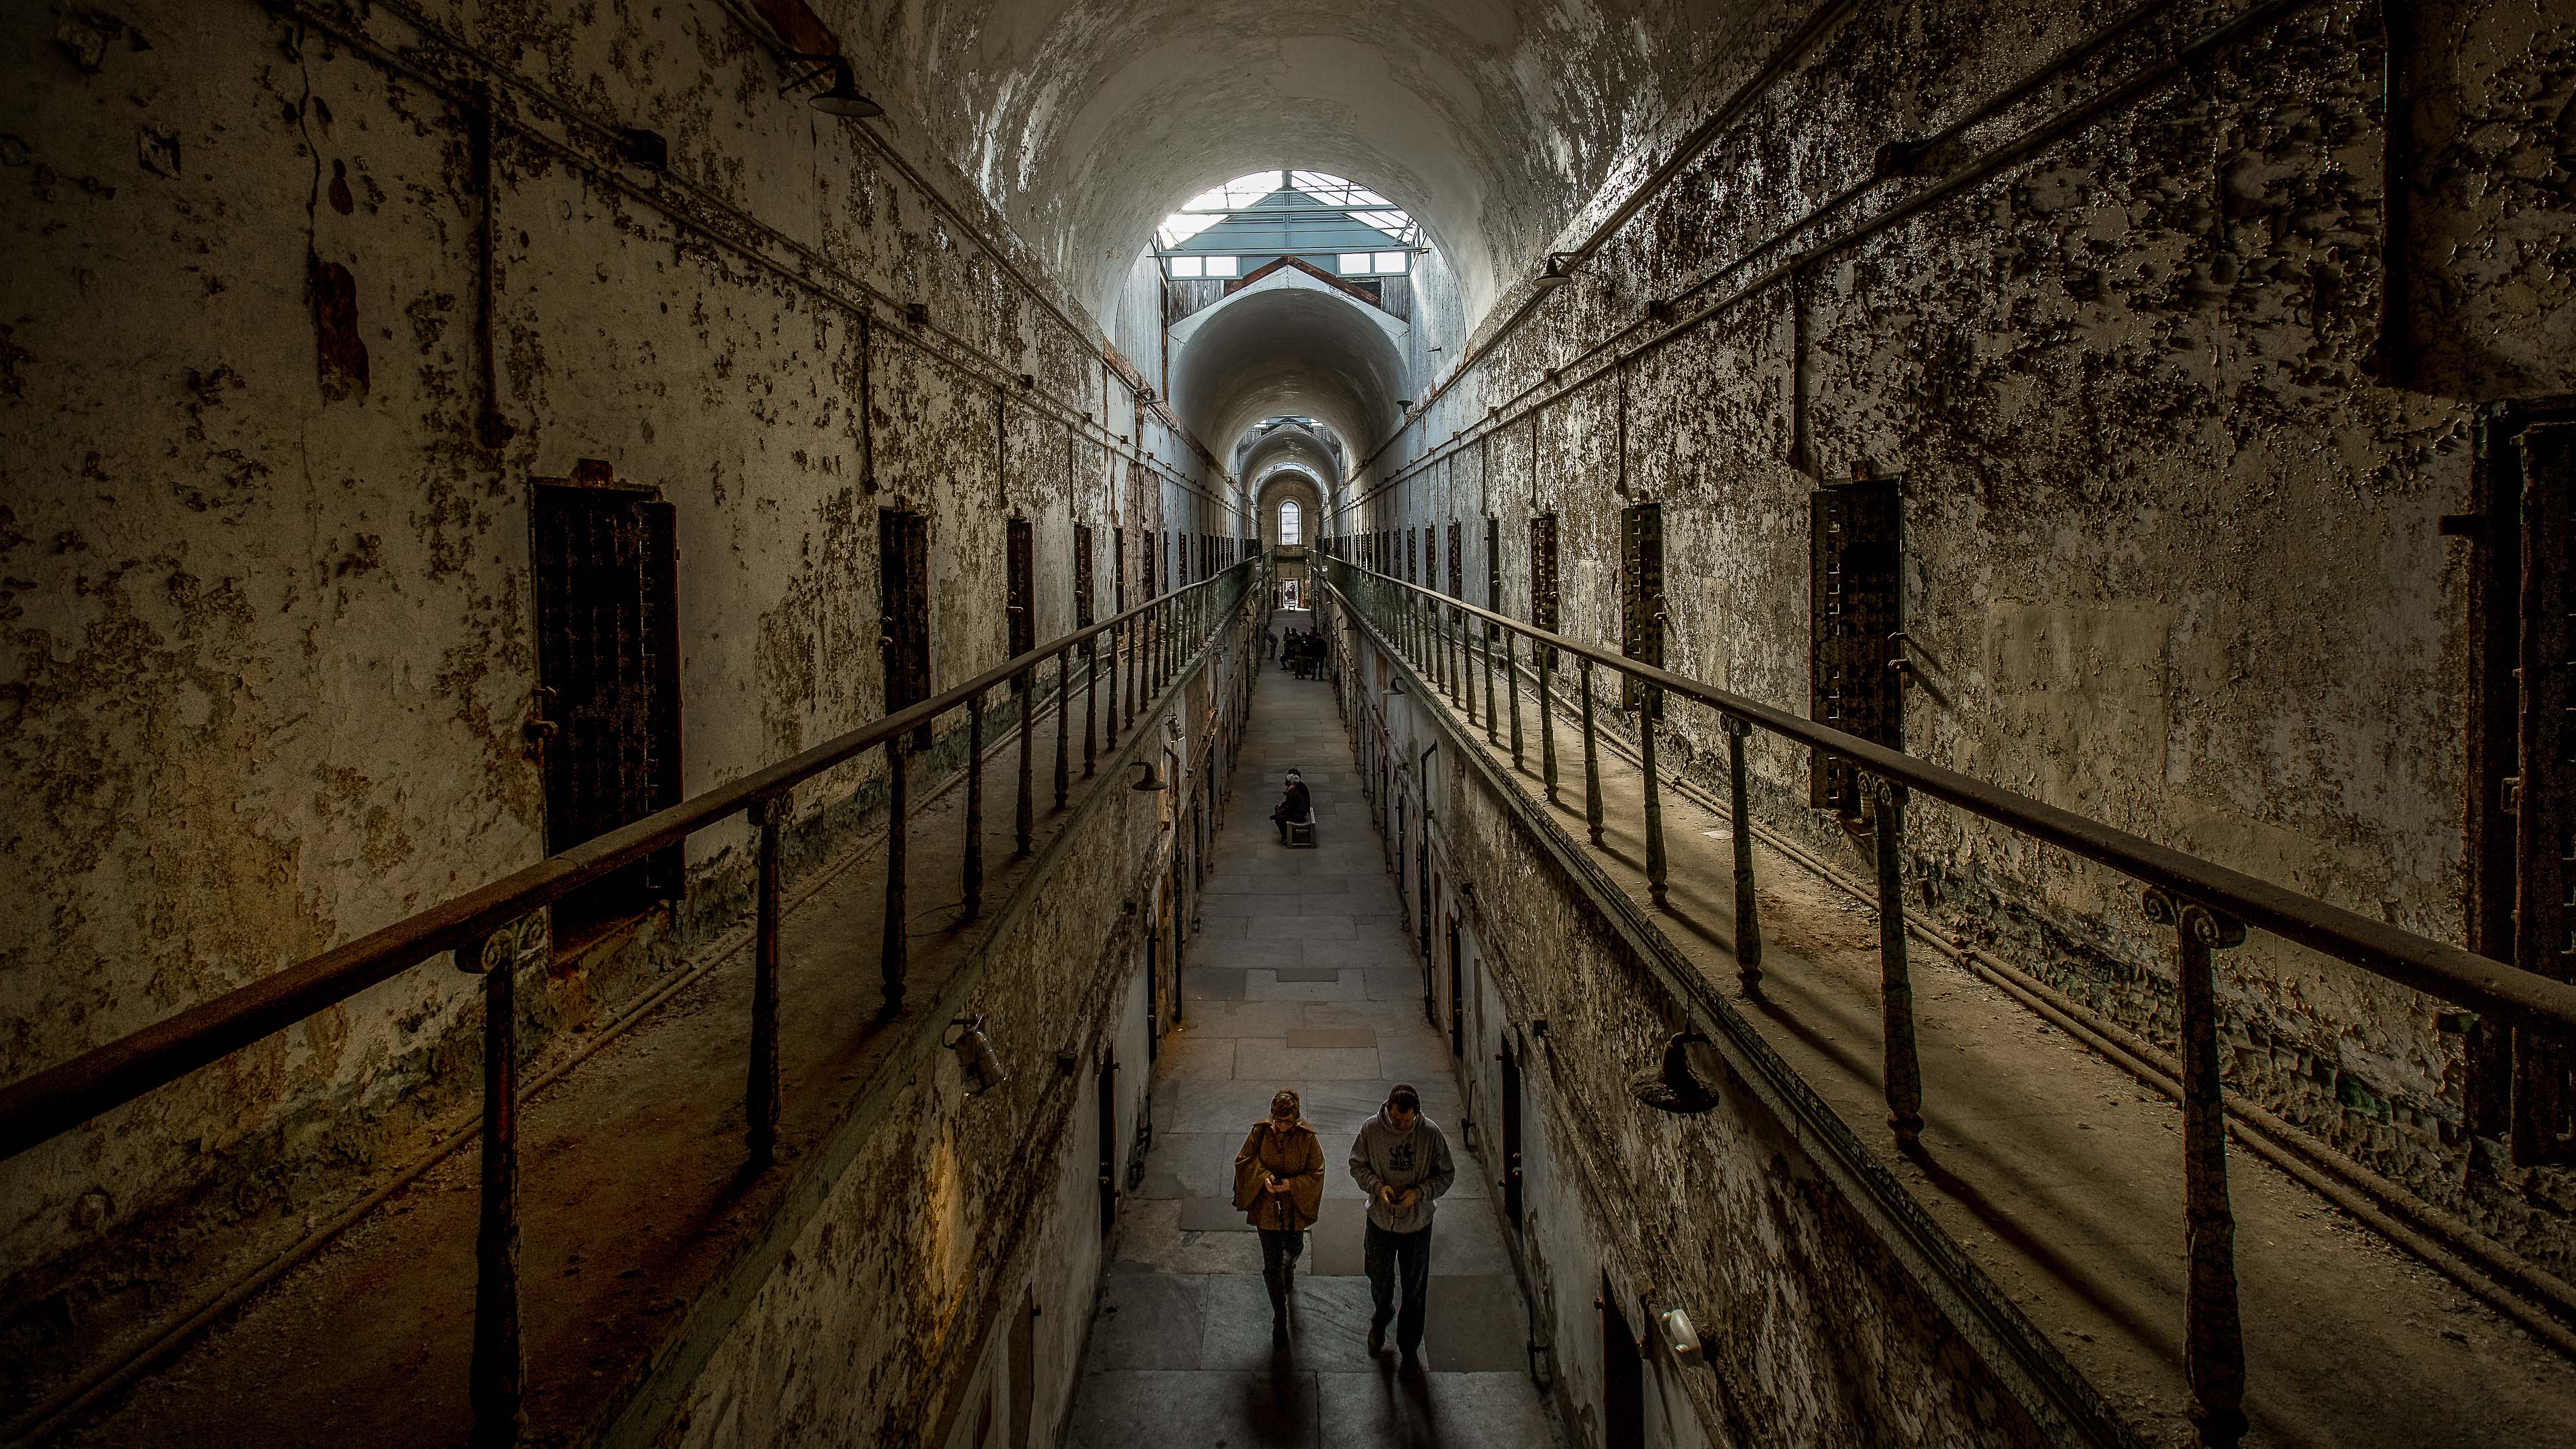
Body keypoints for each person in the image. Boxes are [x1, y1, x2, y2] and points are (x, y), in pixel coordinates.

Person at [1348, 1083, 1455, 1374]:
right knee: (1379, 1277)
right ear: (1388, 1109)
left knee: (1415, 1289)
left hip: (1417, 1225)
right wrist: (1378, 1188)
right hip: (1381, 1221)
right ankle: (1382, 1315)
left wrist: (1418, 1193)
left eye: (1407, 1121)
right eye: (1397, 1120)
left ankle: (1409, 1348)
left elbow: (1446, 1174)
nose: (1402, 1125)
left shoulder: (1430, 1134)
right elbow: (1358, 1165)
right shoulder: (1371, 1130)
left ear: (1416, 1114)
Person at [1234, 1088, 1325, 1348]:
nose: (1283, 1127)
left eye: (1288, 1122)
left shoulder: (1307, 1139)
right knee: (1271, 1263)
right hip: (1267, 1208)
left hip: (1293, 1206)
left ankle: (1289, 1266)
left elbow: (1317, 1170)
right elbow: (1244, 1160)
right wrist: (1263, 1177)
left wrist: (1291, 1186)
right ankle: (1279, 1315)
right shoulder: (1261, 1132)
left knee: (1294, 1246)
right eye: (1279, 1121)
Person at [1271, 770, 1312, 842]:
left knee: (1278, 818)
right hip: (1298, 811)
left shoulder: (1294, 791)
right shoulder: (1295, 788)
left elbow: (1291, 807)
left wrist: (1282, 811)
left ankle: (1287, 837)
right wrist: (1282, 806)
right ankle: (1288, 832)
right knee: (1278, 811)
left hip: (1300, 815)